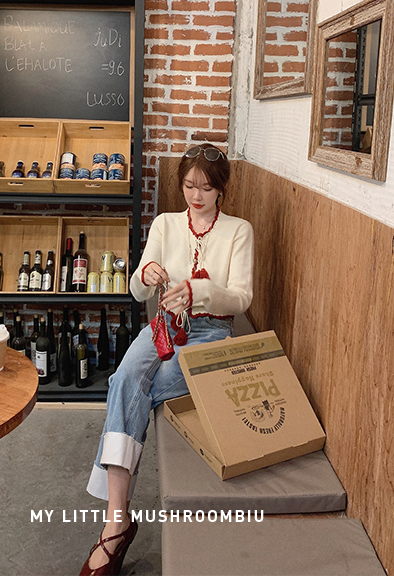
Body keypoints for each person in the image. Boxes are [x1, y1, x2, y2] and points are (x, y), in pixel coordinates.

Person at [80, 143, 254, 575]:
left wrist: (200, 292)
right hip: (162, 325)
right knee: (124, 379)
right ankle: (117, 519)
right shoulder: (165, 223)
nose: (196, 196)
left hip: (212, 333)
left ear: (221, 189)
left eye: (206, 188)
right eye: (189, 186)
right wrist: (146, 274)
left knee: (143, 388)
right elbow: (137, 289)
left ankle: (114, 529)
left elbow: (242, 299)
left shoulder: (239, 231)